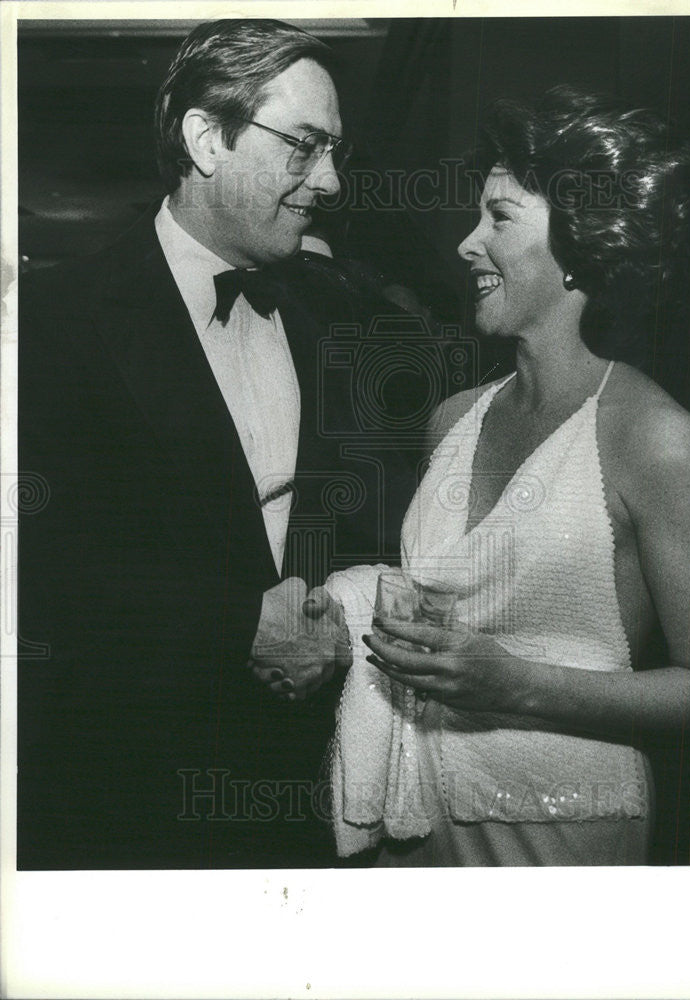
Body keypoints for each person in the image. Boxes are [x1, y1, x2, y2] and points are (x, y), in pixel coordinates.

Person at [320, 88, 690, 866]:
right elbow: (455, 600)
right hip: (413, 828)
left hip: (558, 840)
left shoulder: (656, 440)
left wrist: (517, 686)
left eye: (498, 217)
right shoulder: (452, 418)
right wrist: (340, 611)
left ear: (582, 243)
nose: (465, 244)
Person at [17, 18, 419, 869]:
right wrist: (235, 624)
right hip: (123, 800)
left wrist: (337, 625)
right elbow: (37, 574)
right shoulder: (57, 326)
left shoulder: (333, 315)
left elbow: (380, 520)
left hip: (299, 793)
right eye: (304, 147)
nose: (333, 181)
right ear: (206, 138)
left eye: (337, 152)